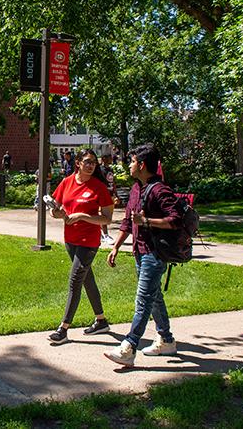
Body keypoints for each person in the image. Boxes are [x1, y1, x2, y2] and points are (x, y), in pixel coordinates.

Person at [104, 143, 182, 366]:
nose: (129, 165)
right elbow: (128, 221)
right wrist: (117, 246)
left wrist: (147, 221)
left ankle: (129, 347)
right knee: (155, 297)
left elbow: (175, 220)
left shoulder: (160, 190)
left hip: (155, 254)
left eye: (132, 161)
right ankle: (166, 341)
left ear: (142, 164)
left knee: (143, 301)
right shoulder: (137, 188)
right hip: (139, 252)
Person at [47, 148, 115, 344]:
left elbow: (107, 219)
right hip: (71, 239)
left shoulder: (98, 187)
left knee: (75, 280)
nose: (91, 165)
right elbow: (56, 209)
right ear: (77, 163)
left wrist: (83, 216)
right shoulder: (67, 182)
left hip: (89, 241)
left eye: (93, 162)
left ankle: (63, 329)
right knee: (87, 279)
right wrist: (57, 213)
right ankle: (101, 321)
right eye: (87, 161)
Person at [99, 154, 116, 245]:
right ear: (103, 158)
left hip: (110, 194)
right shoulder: (100, 170)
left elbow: (112, 181)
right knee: (103, 215)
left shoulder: (110, 169)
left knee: (108, 215)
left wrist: (115, 193)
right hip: (103, 195)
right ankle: (105, 235)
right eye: (109, 158)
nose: (111, 159)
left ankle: (100, 234)